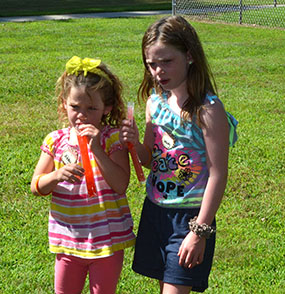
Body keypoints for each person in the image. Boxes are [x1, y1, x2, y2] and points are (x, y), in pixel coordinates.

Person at [120, 16, 238, 293]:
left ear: (190, 56)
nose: (158, 71)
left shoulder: (208, 110)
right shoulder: (154, 103)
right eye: (152, 64)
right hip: (155, 211)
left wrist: (199, 232)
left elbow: (218, 174)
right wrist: (135, 144)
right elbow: (150, 160)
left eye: (166, 61)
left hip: (191, 218)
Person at [31, 56, 136, 294]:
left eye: (91, 109)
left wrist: (96, 148)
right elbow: (36, 185)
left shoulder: (112, 139)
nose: (82, 115)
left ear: (106, 108)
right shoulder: (55, 141)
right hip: (68, 242)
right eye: (75, 107)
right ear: (63, 104)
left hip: (107, 242)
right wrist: (57, 175)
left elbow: (121, 184)